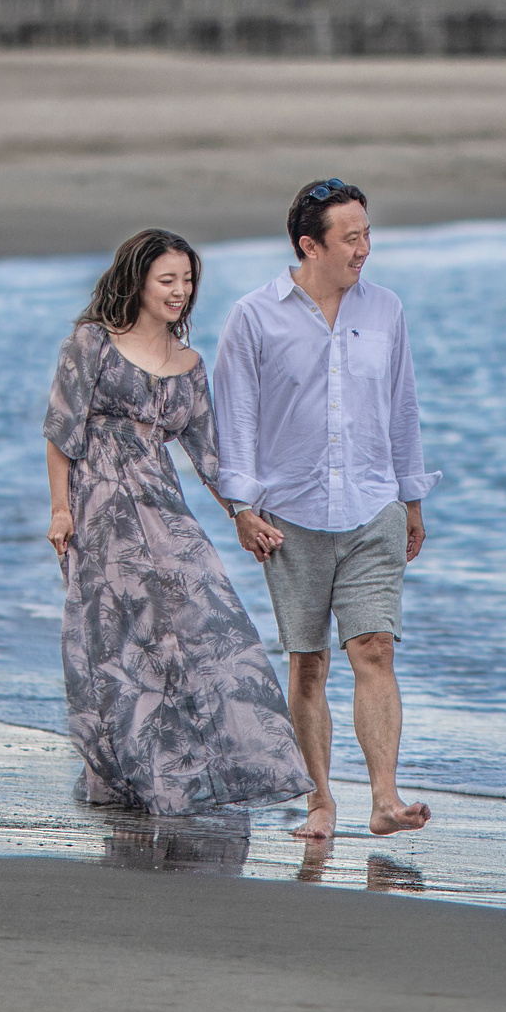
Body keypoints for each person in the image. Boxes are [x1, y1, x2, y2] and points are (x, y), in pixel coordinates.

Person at [44, 228, 313, 817]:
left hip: (165, 513)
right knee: (120, 646)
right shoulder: (91, 344)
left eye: (187, 280)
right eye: (167, 280)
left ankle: (208, 768)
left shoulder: (190, 364)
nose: (180, 291)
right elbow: (61, 432)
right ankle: (136, 775)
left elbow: (210, 455)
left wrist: (244, 515)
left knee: (209, 625)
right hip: (100, 519)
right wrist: (61, 510)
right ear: (137, 281)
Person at [215, 179, 437, 838]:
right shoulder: (254, 316)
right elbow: (236, 420)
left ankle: (384, 799)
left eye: (368, 233)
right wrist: (241, 508)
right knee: (308, 660)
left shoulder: (386, 309)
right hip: (290, 514)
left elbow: (403, 407)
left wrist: (412, 498)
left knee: (374, 647)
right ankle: (320, 803)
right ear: (309, 245)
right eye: (351, 237)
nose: (365, 248)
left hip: (373, 505)